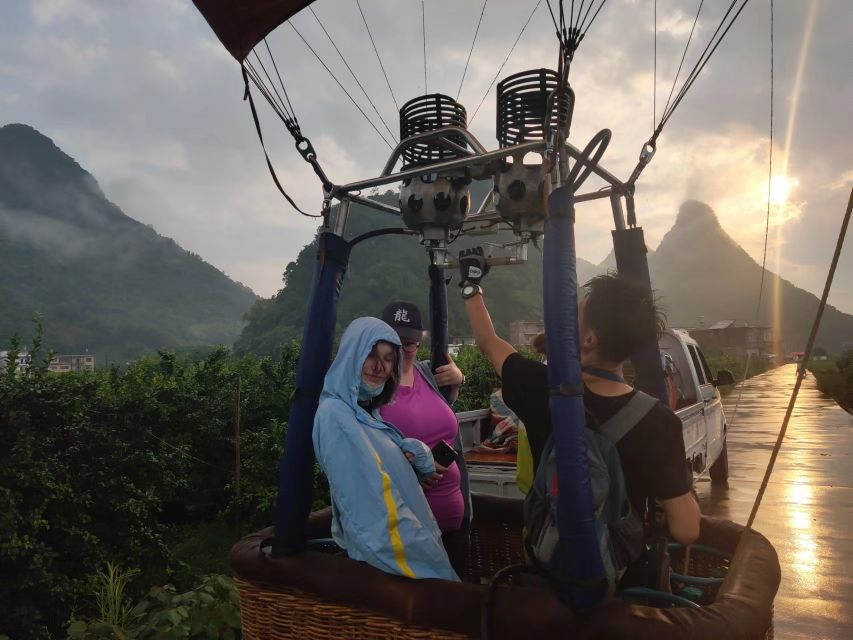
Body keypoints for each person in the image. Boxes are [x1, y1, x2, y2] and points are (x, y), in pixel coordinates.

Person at [457, 247, 700, 547]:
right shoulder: (659, 421)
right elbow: (687, 529)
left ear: (589, 339)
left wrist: (471, 284)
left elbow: (488, 341)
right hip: (622, 570)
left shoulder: (540, 386)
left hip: (550, 560)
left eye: (576, 315)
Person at [312, 316, 458, 581]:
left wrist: (412, 459)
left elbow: (384, 477)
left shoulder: (366, 415)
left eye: (388, 359)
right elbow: (375, 514)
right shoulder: (336, 415)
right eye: (370, 354)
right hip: (399, 571)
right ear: (351, 354)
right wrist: (433, 575)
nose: (379, 366)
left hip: (414, 558)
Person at [377, 301, 470, 577]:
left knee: (458, 598)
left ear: (419, 342)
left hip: (454, 524)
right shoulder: (371, 386)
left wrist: (459, 378)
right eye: (392, 342)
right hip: (408, 533)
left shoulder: (429, 373)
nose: (399, 350)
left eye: (408, 344)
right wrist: (407, 471)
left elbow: (443, 410)